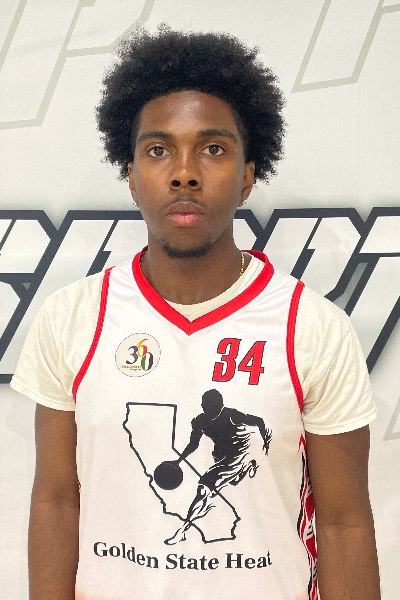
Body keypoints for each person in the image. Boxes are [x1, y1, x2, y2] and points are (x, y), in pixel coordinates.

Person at [11, 26, 380, 600]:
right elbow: (57, 499)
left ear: (248, 177)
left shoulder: (312, 327)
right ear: (132, 178)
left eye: (213, 149)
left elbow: (343, 523)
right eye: (159, 150)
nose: (185, 172)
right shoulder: (72, 318)